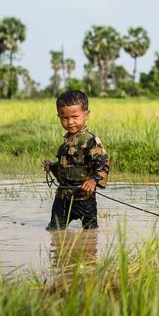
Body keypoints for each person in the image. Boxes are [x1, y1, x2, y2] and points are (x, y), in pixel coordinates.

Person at [43, 90, 110, 230]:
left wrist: (93, 180)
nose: (70, 122)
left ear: (86, 115)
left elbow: (103, 164)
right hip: (62, 198)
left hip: (84, 199)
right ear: (59, 117)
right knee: (54, 231)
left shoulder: (90, 141)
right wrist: (52, 166)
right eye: (65, 118)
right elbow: (66, 168)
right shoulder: (66, 142)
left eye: (75, 116)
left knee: (90, 233)